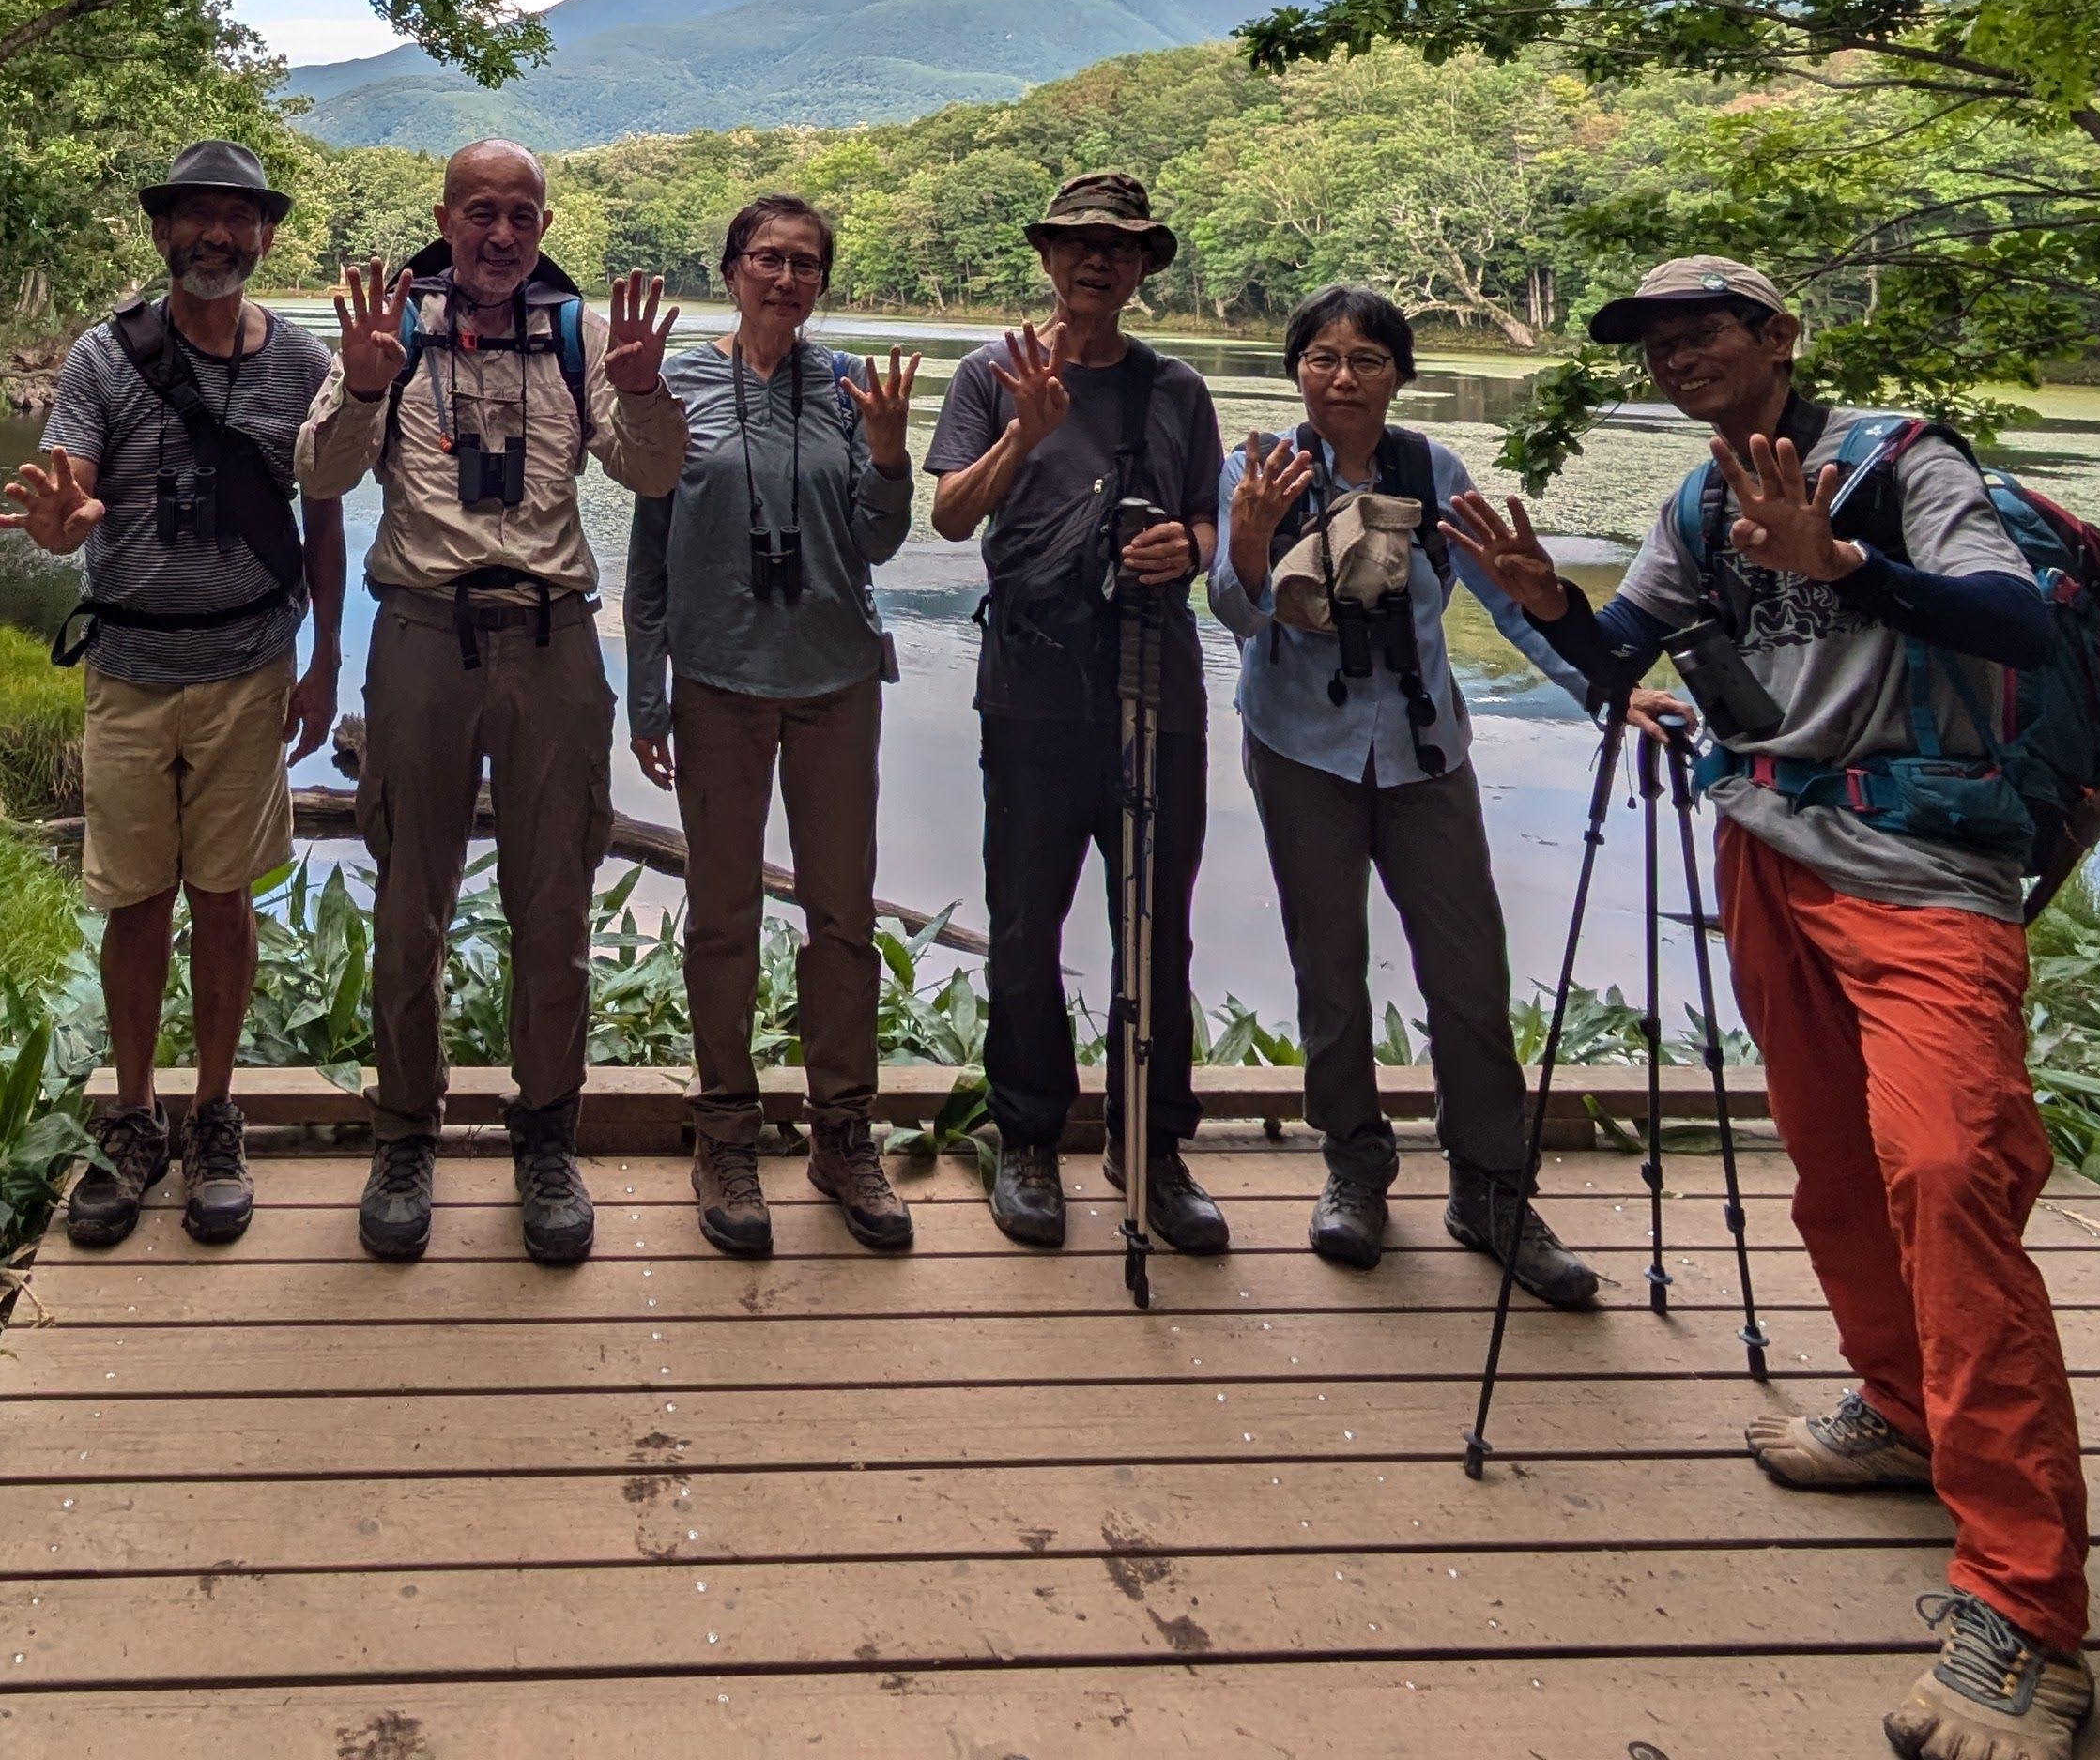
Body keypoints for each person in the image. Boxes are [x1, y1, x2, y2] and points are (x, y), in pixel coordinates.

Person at [1452, 256, 2092, 1760]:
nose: (1682, 357)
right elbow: (1622, 660)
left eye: (1706, 332)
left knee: (1948, 1171)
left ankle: (2025, 1609)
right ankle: (1898, 1406)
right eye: (1660, 343)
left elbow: (2019, 628)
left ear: (1777, 339)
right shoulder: (1692, 507)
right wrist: (1548, 607)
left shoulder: (1897, 468)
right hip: (1774, 853)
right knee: (1831, 1166)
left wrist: (1849, 567)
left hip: (1927, 869)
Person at [295, 139, 687, 1268]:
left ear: (544, 223)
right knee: (408, 899)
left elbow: (653, 475)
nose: (502, 234)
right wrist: (365, 385)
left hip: (554, 640)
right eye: (481, 211)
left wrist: (647, 395)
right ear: (444, 215)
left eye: (522, 214)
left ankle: (545, 1133)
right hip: (420, 634)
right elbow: (316, 475)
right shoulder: (391, 327)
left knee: (555, 899)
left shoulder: (581, 334)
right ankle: (405, 1131)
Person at [1205, 283, 1602, 1306]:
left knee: (1469, 972)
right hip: (1301, 748)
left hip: (1426, 754)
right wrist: (1249, 538)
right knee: (1327, 966)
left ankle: (1491, 1186)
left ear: (1399, 374)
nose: (1342, 377)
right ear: (1294, 367)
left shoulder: (1435, 471)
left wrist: (1607, 687)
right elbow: (1237, 613)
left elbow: (1508, 601)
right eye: (1323, 357)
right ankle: (1355, 1163)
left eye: (1367, 359)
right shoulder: (1256, 467)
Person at [0, 140, 348, 1252]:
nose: (217, 238)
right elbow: (70, 491)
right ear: (161, 232)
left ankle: (212, 1112)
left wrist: (327, 658)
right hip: (131, 672)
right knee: (137, 897)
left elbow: (323, 516)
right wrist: (60, 525)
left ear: (266, 238)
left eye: (238, 221)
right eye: (195, 218)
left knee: (226, 899)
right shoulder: (106, 357)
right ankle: (134, 1116)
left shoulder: (301, 363)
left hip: (249, 667)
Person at [927, 169, 1228, 1257]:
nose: (1095, 260)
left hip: (1155, 682)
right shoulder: (988, 373)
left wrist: (1186, 547)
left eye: (1119, 246)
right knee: (1024, 918)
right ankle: (1028, 1138)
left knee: (1157, 925)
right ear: (1046, 256)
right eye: (1076, 242)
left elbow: (1211, 522)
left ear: (1144, 266)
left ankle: (1150, 1143)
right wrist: (1025, 431)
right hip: (1030, 681)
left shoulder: (1176, 389)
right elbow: (950, 517)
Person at [624, 194, 919, 1257]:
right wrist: (644, 690)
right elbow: (649, 549)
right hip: (716, 679)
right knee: (721, 912)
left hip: (836, 678)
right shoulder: (677, 384)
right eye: (766, 259)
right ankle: (727, 1132)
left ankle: (843, 1133)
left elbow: (881, 542)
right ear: (731, 268)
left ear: (820, 282)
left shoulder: (850, 387)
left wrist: (887, 457)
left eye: (804, 264)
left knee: (840, 915)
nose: (784, 279)